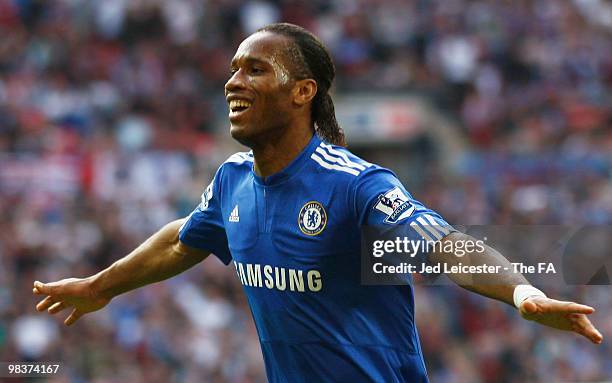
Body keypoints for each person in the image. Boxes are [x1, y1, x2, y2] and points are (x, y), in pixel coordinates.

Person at [33, 23, 603, 382]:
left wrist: (524, 294)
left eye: (255, 69)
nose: (233, 82)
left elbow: (445, 247)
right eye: (232, 69)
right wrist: (102, 285)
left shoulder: (355, 185)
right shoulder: (232, 181)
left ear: (303, 91)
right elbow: (185, 240)